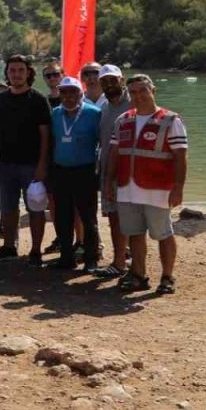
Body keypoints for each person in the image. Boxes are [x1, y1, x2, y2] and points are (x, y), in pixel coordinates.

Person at [106, 74, 186, 295]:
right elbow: (114, 154)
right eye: (133, 92)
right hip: (127, 187)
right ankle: (138, 275)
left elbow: (180, 157)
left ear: (153, 91)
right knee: (134, 233)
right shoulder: (123, 120)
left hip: (158, 189)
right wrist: (108, 181)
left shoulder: (170, 120)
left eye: (143, 90)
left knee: (163, 233)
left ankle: (168, 276)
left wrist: (178, 187)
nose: (138, 95)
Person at [0, 55, 52, 265]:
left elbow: (45, 135)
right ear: (7, 73)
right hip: (6, 163)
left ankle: (35, 250)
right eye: (12, 70)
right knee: (8, 208)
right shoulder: (1, 99)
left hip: (32, 164)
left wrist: (42, 164)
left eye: (20, 70)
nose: (16, 74)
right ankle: (9, 246)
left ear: (28, 73)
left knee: (35, 208)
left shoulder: (39, 100)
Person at [47, 76, 102, 271]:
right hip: (61, 171)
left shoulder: (95, 114)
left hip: (85, 172)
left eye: (73, 92)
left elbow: (102, 143)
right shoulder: (54, 114)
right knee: (63, 217)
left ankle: (91, 259)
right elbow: (50, 142)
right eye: (64, 92)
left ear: (81, 93)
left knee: (88, 218)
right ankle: (66, 258)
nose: (68, 96)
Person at [93, 65, 132, 279]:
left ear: (122, 79)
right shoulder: (104, 107)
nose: (109, 85)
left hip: (132, 171)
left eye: (112, 80)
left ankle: (131, 261)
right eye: (104, 82)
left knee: (134, 218)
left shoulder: (135, 102)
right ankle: (119, 261)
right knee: (115, 218)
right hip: (109, 172)